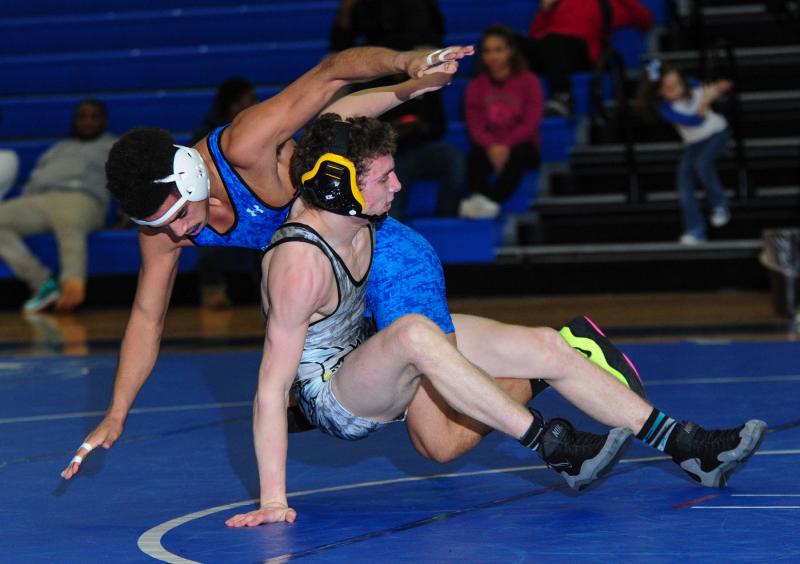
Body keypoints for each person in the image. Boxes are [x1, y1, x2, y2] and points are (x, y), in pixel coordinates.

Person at [60, 48, 724, 494]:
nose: (181, 236)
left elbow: (330, 84)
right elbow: (147, 317)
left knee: (435, 438)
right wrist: (117, 412)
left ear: (193, 173)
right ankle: (560, 354)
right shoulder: (164, 231)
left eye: (180, 216)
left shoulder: (247, 145)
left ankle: (558, 379)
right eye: (162, 229)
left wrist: (405, 71)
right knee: (394, 425)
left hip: (382, 251)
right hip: (329, 286)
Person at [225, 114, 766, 527]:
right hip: (335, 397)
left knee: (549, 346)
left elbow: (331, 126)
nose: (398, 187)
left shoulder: (357, 215)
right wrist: (273, 500)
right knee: (418, 342)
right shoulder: (299, 265)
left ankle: (689, 447)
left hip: (365, 348)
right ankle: (551, 445)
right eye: (386, 177)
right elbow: (270, 390)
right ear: (339, 185)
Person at [330, 0, 467, 220]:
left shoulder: (425, 78)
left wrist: (421, 127)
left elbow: (438, 126)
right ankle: (384, 229)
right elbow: (339, 42)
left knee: (454, 160)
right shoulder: (366, 84)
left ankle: (446, 222)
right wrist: (390, 132)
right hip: (386, 152)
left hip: (421, 145)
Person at [0, 99, 116, 313]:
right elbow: (36, 178)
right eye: (83, 116)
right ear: (75, 121)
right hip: (41, 199)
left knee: (70, 223)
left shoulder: (114, 146)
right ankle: (42, 282)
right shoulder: (58, 149)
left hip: (82, 198)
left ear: (104, 121)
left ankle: (73, 284)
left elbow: (128, 180)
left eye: (94, 116)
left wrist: (127, 213)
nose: (88, 122)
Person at [635, 59, 732, 244]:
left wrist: (718, 89)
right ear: (660, 93)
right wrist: (705, 101)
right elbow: (695, 121)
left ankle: (720, 204)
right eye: (670, 88)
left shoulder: (692, 84)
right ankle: (695, 229)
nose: (678, 89)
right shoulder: (666, 110)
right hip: (695, 142)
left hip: (717, 132)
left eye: (678, 83)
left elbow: (710, 90)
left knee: (702, 164)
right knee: (684, 183)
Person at [459, 25, 544, 219]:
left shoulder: (529, 81)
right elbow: (475, 125)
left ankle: (489, 202)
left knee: (519, 156)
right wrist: (492, 147)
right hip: (489, 147)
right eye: (488, 51)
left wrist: (505, 146)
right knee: (475, 158)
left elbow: (531, 121)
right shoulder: (476, 86)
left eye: (499, 50)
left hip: (521, 145)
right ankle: (482, 200)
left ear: (510, 51)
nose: (493, 56)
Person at [190, 77, 260, 308]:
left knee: (271, 227)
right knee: (206, 227)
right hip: (217, 199)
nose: (250, 106)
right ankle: (212, 289)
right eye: (245, 101)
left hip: (254, 198)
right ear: (230, 105)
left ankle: (268, 289)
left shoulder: (260, 130)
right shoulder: (205, 133)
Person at [525, 0, 654, 116]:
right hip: (550, 51)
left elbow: (646, 20)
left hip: (582, 54)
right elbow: (536, 35)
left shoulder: (609, 4)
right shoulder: (559, 3)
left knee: (554, 41)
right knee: (512, 42)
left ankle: (563, 97)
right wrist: (545, 10)